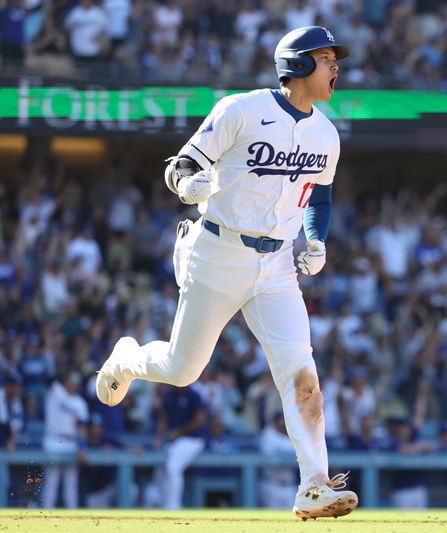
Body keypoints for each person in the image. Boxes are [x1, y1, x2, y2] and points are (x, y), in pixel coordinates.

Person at [94, 25, 357, 520]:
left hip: (277, 265)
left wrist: (316, 238)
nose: (335, 66)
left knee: (304, 378)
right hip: (218, 251)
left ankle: (314, 486)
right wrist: (187, 186)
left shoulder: (326, 133)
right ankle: (127, 360)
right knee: (181, 370)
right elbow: (182, 165)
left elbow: (318, 195)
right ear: (296, 66)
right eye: (325, 58)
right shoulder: (240, 108)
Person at [153, 383, 209, 509]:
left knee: (173, 467)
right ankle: (163, 504)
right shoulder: (169, 395)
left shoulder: (193, 395)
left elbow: (200, 419)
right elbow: (163, 419)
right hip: (174, 442)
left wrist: (179, 432)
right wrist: (159, 439)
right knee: (160, 472)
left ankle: (174, 506)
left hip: (193, 440)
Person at [42, 370, 88, 509]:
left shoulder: (80, 403)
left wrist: (82, 448)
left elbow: (82, 428)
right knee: (51, 482)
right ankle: (44, 515)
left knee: (71, 483)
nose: (73, 384)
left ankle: (72, 516)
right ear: (66, 381)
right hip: (52, 440)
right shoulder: (55, 392)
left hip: (71, 443)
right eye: (71, 381)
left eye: (76, 382)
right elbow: (47, 377)